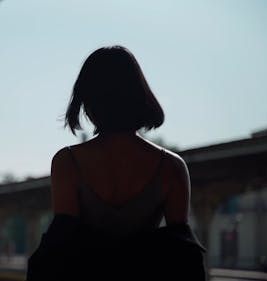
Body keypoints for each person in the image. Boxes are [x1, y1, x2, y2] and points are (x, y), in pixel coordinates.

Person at [27, 46, 206, 280]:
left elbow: (60, 249)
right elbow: (183, 256)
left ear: (87, 100)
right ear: (140, 96)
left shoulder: (67, 162)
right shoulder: (172, 167)